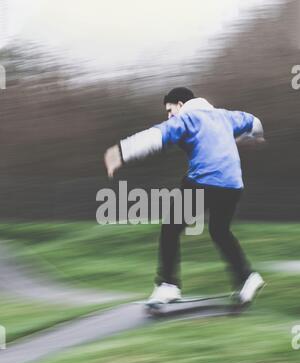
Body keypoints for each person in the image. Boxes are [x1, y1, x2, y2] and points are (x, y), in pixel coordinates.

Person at [104, 87, 266, 304]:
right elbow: (253, 121)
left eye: (170, 110)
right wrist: (255, 136)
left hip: (205, 181)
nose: (169, 116)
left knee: (170, 228)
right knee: (220, 231)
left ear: (181, 105)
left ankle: (167, 285)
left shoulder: (188, 119)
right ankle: (247, 278)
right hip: (233, 184)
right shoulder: (225, 116)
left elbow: (157, 135)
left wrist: (121, 152)